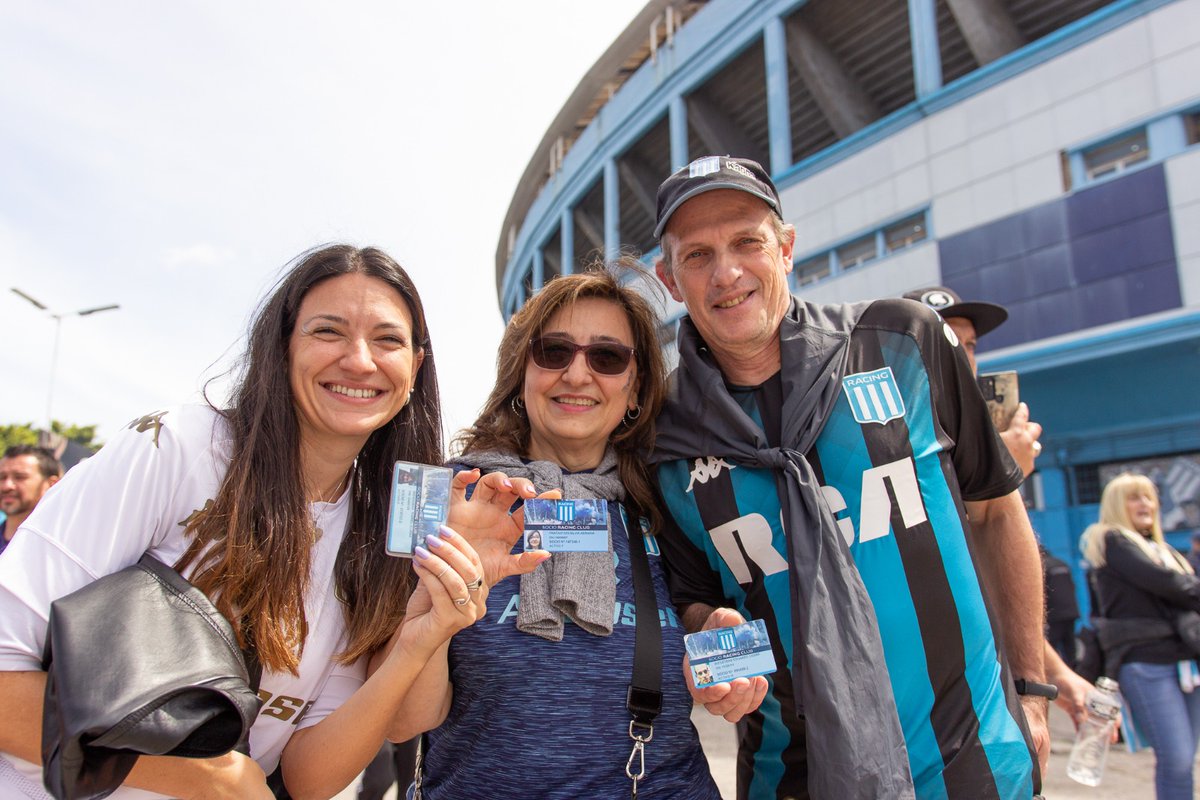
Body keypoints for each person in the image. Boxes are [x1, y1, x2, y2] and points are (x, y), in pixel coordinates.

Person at [0, 244, 523, 799]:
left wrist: (420, 638)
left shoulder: (379, 523)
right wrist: (205, 777)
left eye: (388, 340)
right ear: (281, 345)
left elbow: (306, 775)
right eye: (328, 331)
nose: (361, 360)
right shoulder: (180, 447)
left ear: (415, 367)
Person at [650, 156, 1048, 799]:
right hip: (792, 780)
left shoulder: (905, 342)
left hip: (973, 766)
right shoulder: (663, 440)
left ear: (785, 248)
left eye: (747, 242)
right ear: (670, 280)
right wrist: (705, 626)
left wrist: (1033, 689)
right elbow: (689, 594)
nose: (727, 273)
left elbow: (998, 509)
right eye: (697, 255)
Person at [389, 263, 721, 799]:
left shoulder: (668, 506)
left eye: (607, 357)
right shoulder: (448, 496)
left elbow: (710, 643)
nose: (577, 374)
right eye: (554, 351)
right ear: (522, 373)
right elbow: (402, 722)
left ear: (635, 390)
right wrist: (439, 591)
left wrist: (722, 655)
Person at [906, 286, 1098, 726]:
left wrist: (1053, 673)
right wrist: (1000, 475)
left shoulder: (976, 436)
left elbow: (990, 578)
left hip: (982, 685)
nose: (961, 356)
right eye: (943, 341)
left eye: (968, 344)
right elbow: (941, 556)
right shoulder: (885, 432)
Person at [1080, 472, 1200, 799]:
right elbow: (1166, 584)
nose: (1145, 504)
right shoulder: (1112, 539)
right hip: (1146, 664)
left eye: (1148, 496)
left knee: (1184, 758)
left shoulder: (1163, 550)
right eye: (1134, 497)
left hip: (1183, 664)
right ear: (1117, 504)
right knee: (1175, 758)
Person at [902, 286, 1043, 477]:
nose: (963, 355)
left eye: (970, 345)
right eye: (948, 340)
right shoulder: (893, 432)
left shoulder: (972, 431)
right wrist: (1002, 467)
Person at [0, 446, 62, 555]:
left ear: (52, 484)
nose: (7, 486)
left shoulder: (60, 548)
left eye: (19, 477)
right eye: (2, 477)